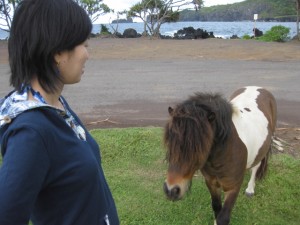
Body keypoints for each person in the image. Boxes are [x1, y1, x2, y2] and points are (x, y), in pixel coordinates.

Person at [0, 0, 119, 224]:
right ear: (57, 52)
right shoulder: (32, 133)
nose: (87, 54)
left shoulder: (54, 105)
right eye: (84, 44)